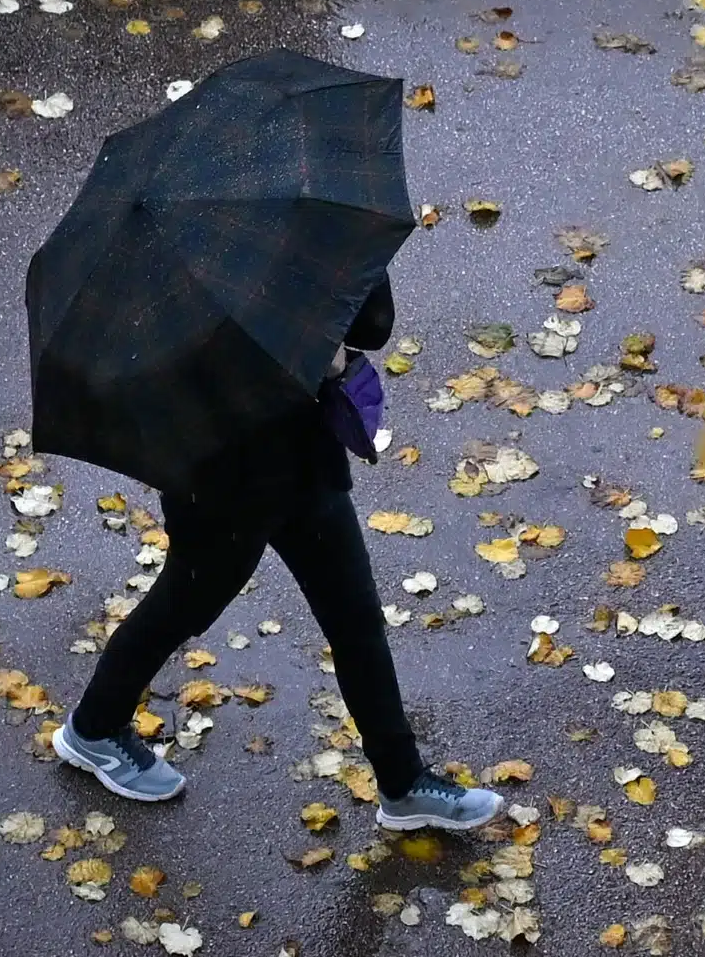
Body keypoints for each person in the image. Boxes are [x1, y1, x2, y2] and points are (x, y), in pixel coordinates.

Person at [52, 281, 504, 832]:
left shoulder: (300, 226)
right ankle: (95, 727)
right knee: (184, 606)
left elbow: (372, 324)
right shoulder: (179, 264)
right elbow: (154, 364)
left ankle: (403, 783)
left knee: (355, 619)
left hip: (303, 458)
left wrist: (327, 334)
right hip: (216, 474)